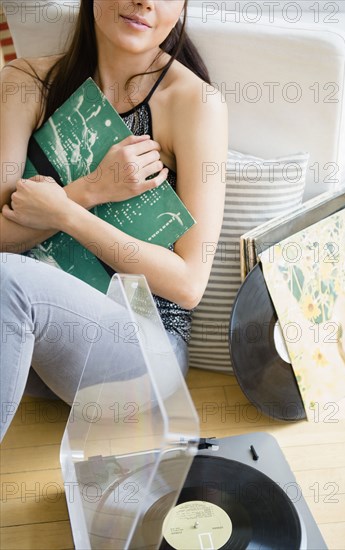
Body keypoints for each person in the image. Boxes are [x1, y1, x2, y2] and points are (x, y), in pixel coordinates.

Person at [0, 0, 228, 441]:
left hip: (142, 350)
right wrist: (90, 190)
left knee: (8, 281)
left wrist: (66, 213)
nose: (144, 1)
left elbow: (188, 283)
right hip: (30, 345)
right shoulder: (26, 83)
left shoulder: (193, 102)